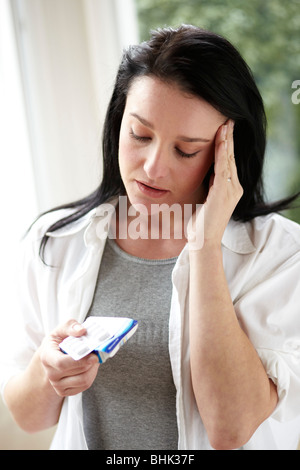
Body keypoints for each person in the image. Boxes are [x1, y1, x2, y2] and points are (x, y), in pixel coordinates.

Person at [1, 25, 300, 450]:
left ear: (226, 149)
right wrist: (48, 374)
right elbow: (28, 417)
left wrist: (205, 246)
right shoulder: (56, 242)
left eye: (186, 150)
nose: (153, 167)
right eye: (140, 135)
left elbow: (230, 428)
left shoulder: (282, 256)